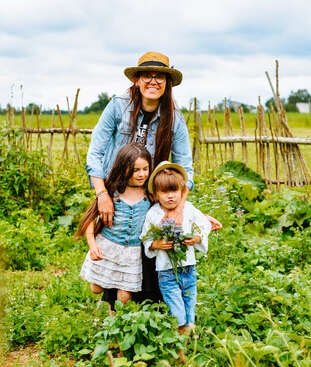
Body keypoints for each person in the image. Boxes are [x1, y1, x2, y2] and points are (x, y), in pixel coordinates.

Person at [85, 51, 195, 306]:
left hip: (150, 193)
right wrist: (102, 195)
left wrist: (178, 208)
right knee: (115, 242)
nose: (153, 81)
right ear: (137, 80)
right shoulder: (118, 106)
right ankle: (113, 308)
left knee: (146, 248)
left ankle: (147, 309)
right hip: (115, 190)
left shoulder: (174, 118)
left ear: (168, 83)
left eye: (160, 77)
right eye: (147, 75)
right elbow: (96, 152)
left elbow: (185, 166)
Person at [76, 143, 152, 304]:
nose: (141, 174)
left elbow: (169, 205)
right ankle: (107, 292)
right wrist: (92, 245)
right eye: (135, 170)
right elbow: (90, 218)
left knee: (124, 296)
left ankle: (115, 321)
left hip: (133, 252)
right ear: (123, 167)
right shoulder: (112, 190)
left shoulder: (150, 192)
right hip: (108, 247)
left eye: (145, 169)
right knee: (96, 288)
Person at [141, 161, 212, 335]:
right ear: (156, 195)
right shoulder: (154, 214)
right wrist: (156, 244)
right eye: (165, 192)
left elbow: (204, 225)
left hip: (188, 266)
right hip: (167, 270)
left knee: (189, 300)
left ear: (182, 192)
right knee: (175, 304)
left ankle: (187, 334)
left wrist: (197, 238)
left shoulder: (189, 209)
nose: (170, 196)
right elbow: (145, 237)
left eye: (174, 191)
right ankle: (179, 331)